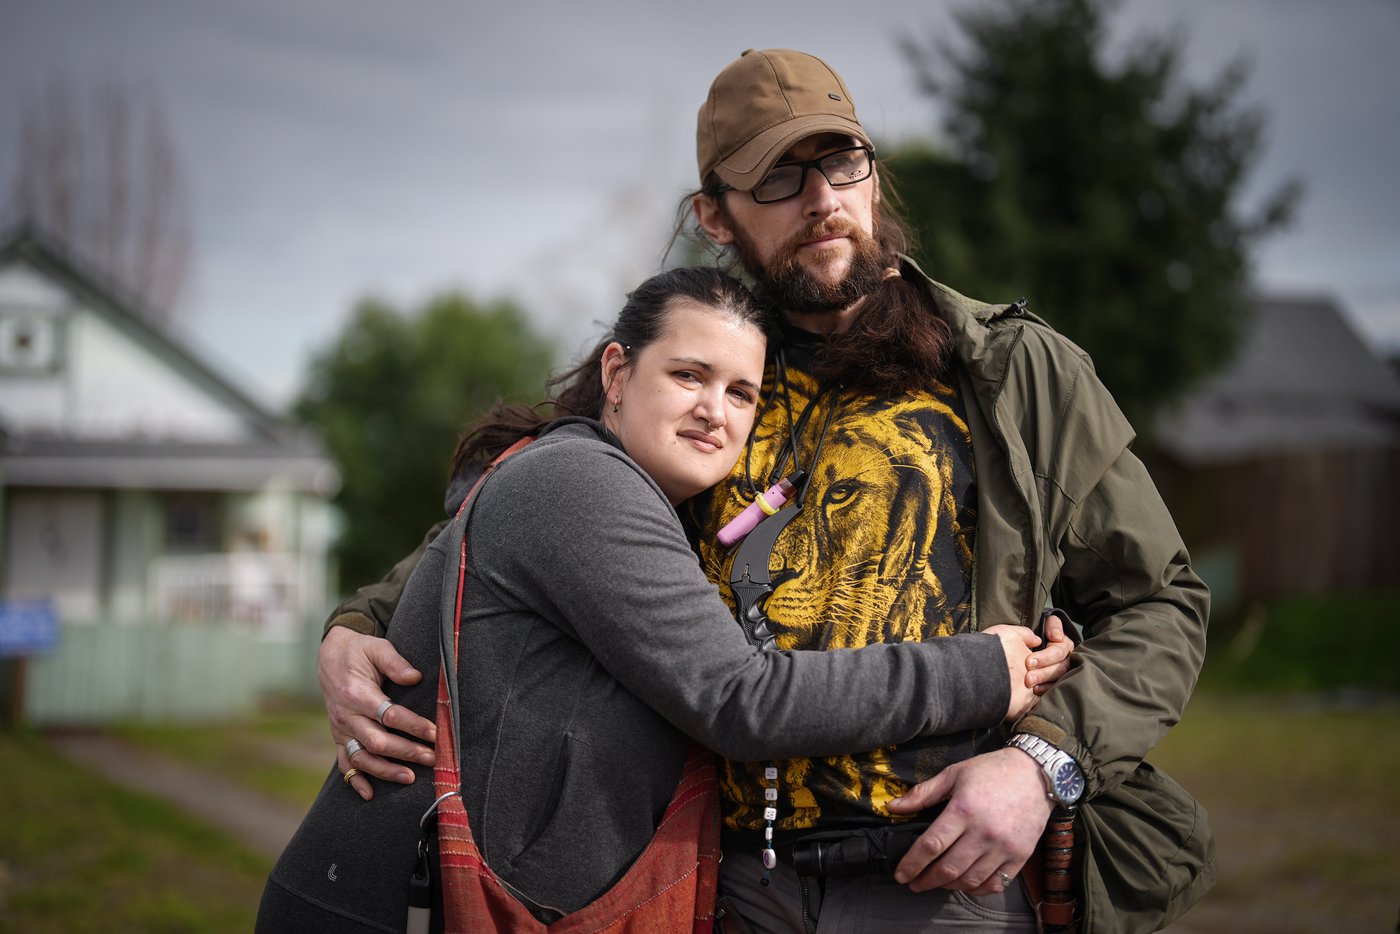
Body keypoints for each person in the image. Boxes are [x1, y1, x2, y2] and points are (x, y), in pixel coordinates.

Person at [318, 49, 1211, 933]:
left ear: (871, 173)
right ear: (715, 215)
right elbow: (532, 502)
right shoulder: (699, 378)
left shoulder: (1014, 373)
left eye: (840, 162)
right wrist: (359, 628)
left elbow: (1162, 603)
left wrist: (1040, 765)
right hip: (726, 884)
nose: (822, 198)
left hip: (949, 883)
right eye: (778, 179)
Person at [261, 266, 1069, 931]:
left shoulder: (621, 493)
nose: (715, 412)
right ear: (617, 373)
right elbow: (742, 699)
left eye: (743, 393)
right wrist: (982, 670)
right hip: (393, 909)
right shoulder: (582, 485)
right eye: (689, 375)